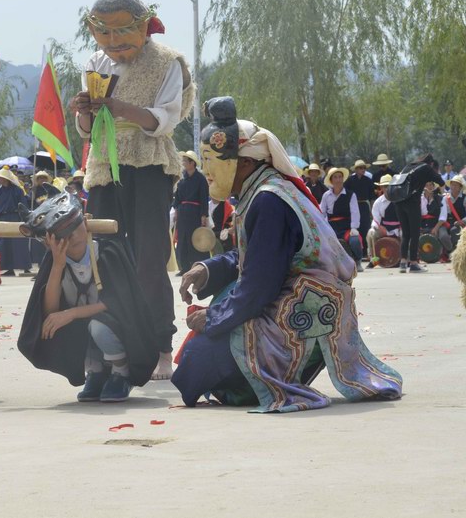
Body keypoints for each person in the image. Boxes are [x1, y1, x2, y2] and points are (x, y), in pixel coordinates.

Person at [171, 96, 402, 412]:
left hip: (304, 317)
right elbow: (257, 258)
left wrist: (213, 318)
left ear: (246, 162)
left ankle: (249, 384)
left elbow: (259, 285)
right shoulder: (262, 191)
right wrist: (206, 268)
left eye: (213, 161)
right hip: (294, 300)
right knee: (206, 336)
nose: (207, 170)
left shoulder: (269, 201)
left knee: (193, 367)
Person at [70, 0, 195, 380]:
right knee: (103, 256)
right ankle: (110, 343)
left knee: (148, 256)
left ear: (143, 27)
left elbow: (168, 120)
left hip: (149, 164)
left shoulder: (167, 62)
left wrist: (120, 108)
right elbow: (87, 131)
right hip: (105, 164)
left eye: (122, 35)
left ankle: (160, 345)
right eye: (104, 35)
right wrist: (84, 112)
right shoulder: (94, 63)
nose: (113, 45)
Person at [17, 191, 158, 402]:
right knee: (59, 322)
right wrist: (57, 265)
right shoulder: (53, 260)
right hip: (83, 326)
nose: (72, 237)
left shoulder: (108, 251)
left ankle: (121, 371)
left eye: (75, 227)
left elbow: (117, 301)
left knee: (97, 326)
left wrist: (72, 313)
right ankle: (95, 371)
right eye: (62, 234)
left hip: (117, 325)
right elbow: (50, 310)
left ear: (85, 220)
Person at [394, 153, 446, 273]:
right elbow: (440, 181)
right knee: (415, 233)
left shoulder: (409, 166)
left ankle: (402, 263)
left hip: (399, 202)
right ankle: (413, 264)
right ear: (431, 163)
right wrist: (440, 192)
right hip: (412, 203)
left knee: (406, 233)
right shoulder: (426, 168)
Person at [172, 150, 209, 274]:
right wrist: (176, 211)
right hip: (182, 212)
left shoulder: (201, 179)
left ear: (192, 163)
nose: (183, 163)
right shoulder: (181, 178)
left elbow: (204, 197)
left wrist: (204, 214)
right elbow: (177, 196)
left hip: (195, 212)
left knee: (195, 238)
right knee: (182, 238)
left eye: (185, 161)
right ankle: (184, 267)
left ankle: (198, 264)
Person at [321, 166, 364, 272]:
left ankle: (357, 261)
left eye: (340, 177)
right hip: (331, 227)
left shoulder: (350, 195)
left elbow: (355, 212)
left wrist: (354, 228)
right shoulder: (326, 196)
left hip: (346, 226)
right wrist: (323, 228)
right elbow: (322, 213)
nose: (338, 179)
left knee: (354, 240)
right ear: (331, 180)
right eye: (335, 177)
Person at [0, 166, 32, 276]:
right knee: (5, 245)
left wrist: (24, 219)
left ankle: (25, 267)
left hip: (16, 218)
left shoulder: (17, 190)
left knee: (19, 243)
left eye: (0, 177)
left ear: (5, 179)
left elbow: (23, 205)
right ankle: (9, 268)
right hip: (3, 219)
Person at [366, 174, 401, 268]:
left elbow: (404, 217)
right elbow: (376, 219)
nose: (387, 188)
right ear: (381, 187)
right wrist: (376, 228)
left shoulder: (401, 200)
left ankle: (407, 259)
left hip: (399, 227)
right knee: (371, 233)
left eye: (389, 186)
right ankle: (374, 260)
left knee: (407, 234)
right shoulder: (378, 202)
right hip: (384, 228)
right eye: (385, 186)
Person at [344, 159, 376, 242]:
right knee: (355, 226)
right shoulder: (349, 181)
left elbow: (372, 196)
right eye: (361, 168)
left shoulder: (368, 181)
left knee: (366, 226)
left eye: (364, 168)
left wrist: (372, 211)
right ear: (356, 169)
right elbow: (345, 194)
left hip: (364, 206)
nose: (363, 170)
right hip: (353, 207)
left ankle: (367, 248)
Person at [29, 170, 56, 267]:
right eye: (39, 178)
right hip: (37, 218)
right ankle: (40, 265)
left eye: (44, 178)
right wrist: (32, 195)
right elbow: (29, 203)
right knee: (38, 243)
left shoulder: (51, 189)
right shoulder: (34, 190)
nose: (41, 180)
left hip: (49, 217)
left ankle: (49, 265)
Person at [420, 181, 453, 260]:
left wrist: (436, 228)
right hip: (423, 225)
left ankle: (450, 253)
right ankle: (415, 256)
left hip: (438, 224)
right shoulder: (419, 199)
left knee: (444, 236)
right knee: (413, 236)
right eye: (426, 185)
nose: (429, 187)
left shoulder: (441, 198)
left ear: (433, 186)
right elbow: (419, 214)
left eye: (430, 185)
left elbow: (443, 216)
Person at [446, 175, 465, 249]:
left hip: (463, 223)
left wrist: (462, 221)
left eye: (456, 185)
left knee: (454, 230)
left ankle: (457, 250)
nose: (453, 187)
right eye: (452, 185)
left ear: (460, 188)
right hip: (450, 222)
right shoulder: (446, 198)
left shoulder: (464, 198)